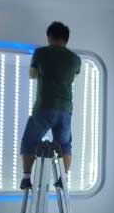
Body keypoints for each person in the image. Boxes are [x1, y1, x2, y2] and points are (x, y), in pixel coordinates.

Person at [20, 21, 82, 189]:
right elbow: (72, 76)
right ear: (66, 39)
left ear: (49, 36)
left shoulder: (40, 53)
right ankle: (63, 178)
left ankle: (26, 178)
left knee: (30, 141)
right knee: (65, 145)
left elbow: (32, 74)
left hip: (44, 107)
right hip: (65, 110)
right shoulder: (75, 59)